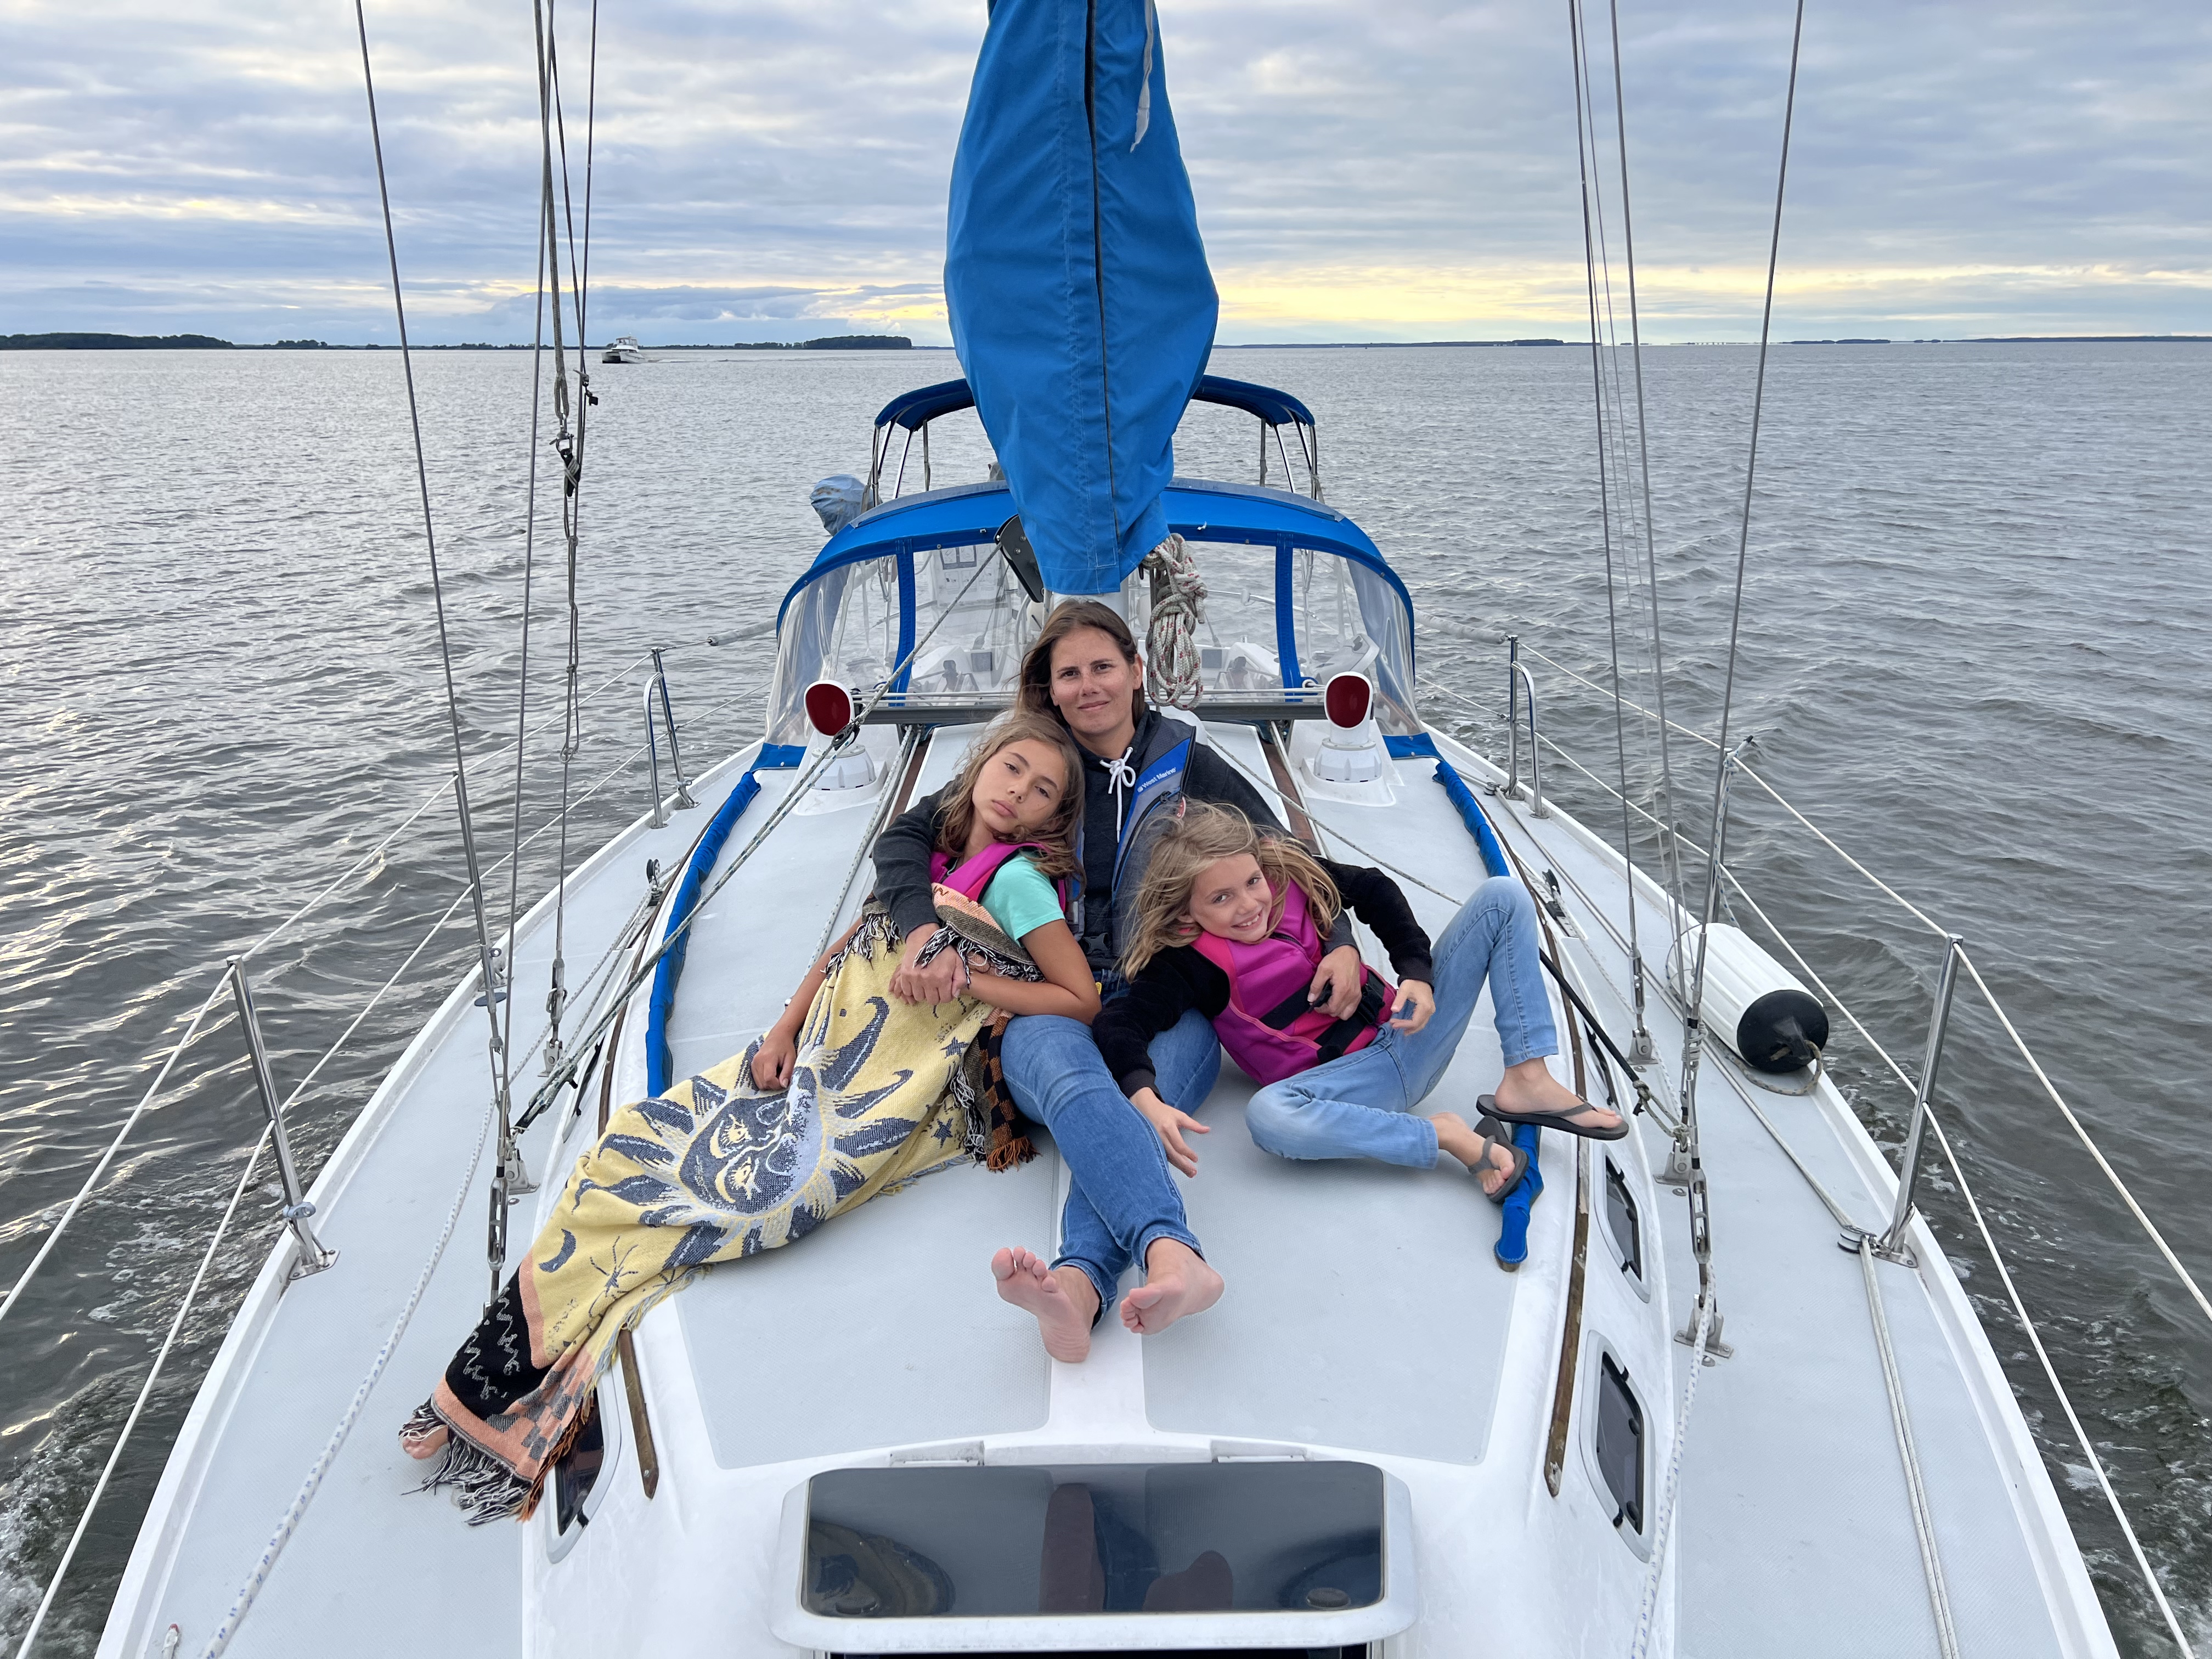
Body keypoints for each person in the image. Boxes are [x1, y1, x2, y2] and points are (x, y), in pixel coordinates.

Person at [398, 714, 1096, 1523]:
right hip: (819, 1051)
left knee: (760, 1196)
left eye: (1042, 790)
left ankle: (494, 1393)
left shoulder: (1015, 883)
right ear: (980, 766)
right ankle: (475, 1384)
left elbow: (1079, 999)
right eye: (1012, 769)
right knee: (626, 1149)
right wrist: (783, 1030)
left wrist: (969, 973)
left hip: (893, 1086)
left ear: (1052, 818)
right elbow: (850, 946)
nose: (1019, 792)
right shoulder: (928, 853)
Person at [871, 601, 1369, 1361]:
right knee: (1082, 1090)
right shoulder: (1035, 765)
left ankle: (1078, 1288)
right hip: (1052, 995)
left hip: (1161, 996)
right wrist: (923, 934)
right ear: (1050, 687)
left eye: (1103, 667)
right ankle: (1170, 1251)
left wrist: (1340, 939)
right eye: (1068, 674)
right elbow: (904, 837)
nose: (1086, 686)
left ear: (1137, 673)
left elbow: (1282, 850)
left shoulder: (1187, 763)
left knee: (1140, 1101)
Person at [1095, 803, 1626, 1198]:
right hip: (1347, 1088)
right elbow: (1122, 1022)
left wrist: (1415, 974)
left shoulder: (1291, 878)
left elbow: (1373, 889)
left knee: (1503, 897)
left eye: (1251, 881)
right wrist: (1146, 1096)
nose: (1250, 904)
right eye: (1221, 898)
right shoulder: (1190, 964)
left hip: (1411, 1036)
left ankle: (1527, 1079)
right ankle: (1441, 1136)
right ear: (1187, 914)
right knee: (1268, 1117)